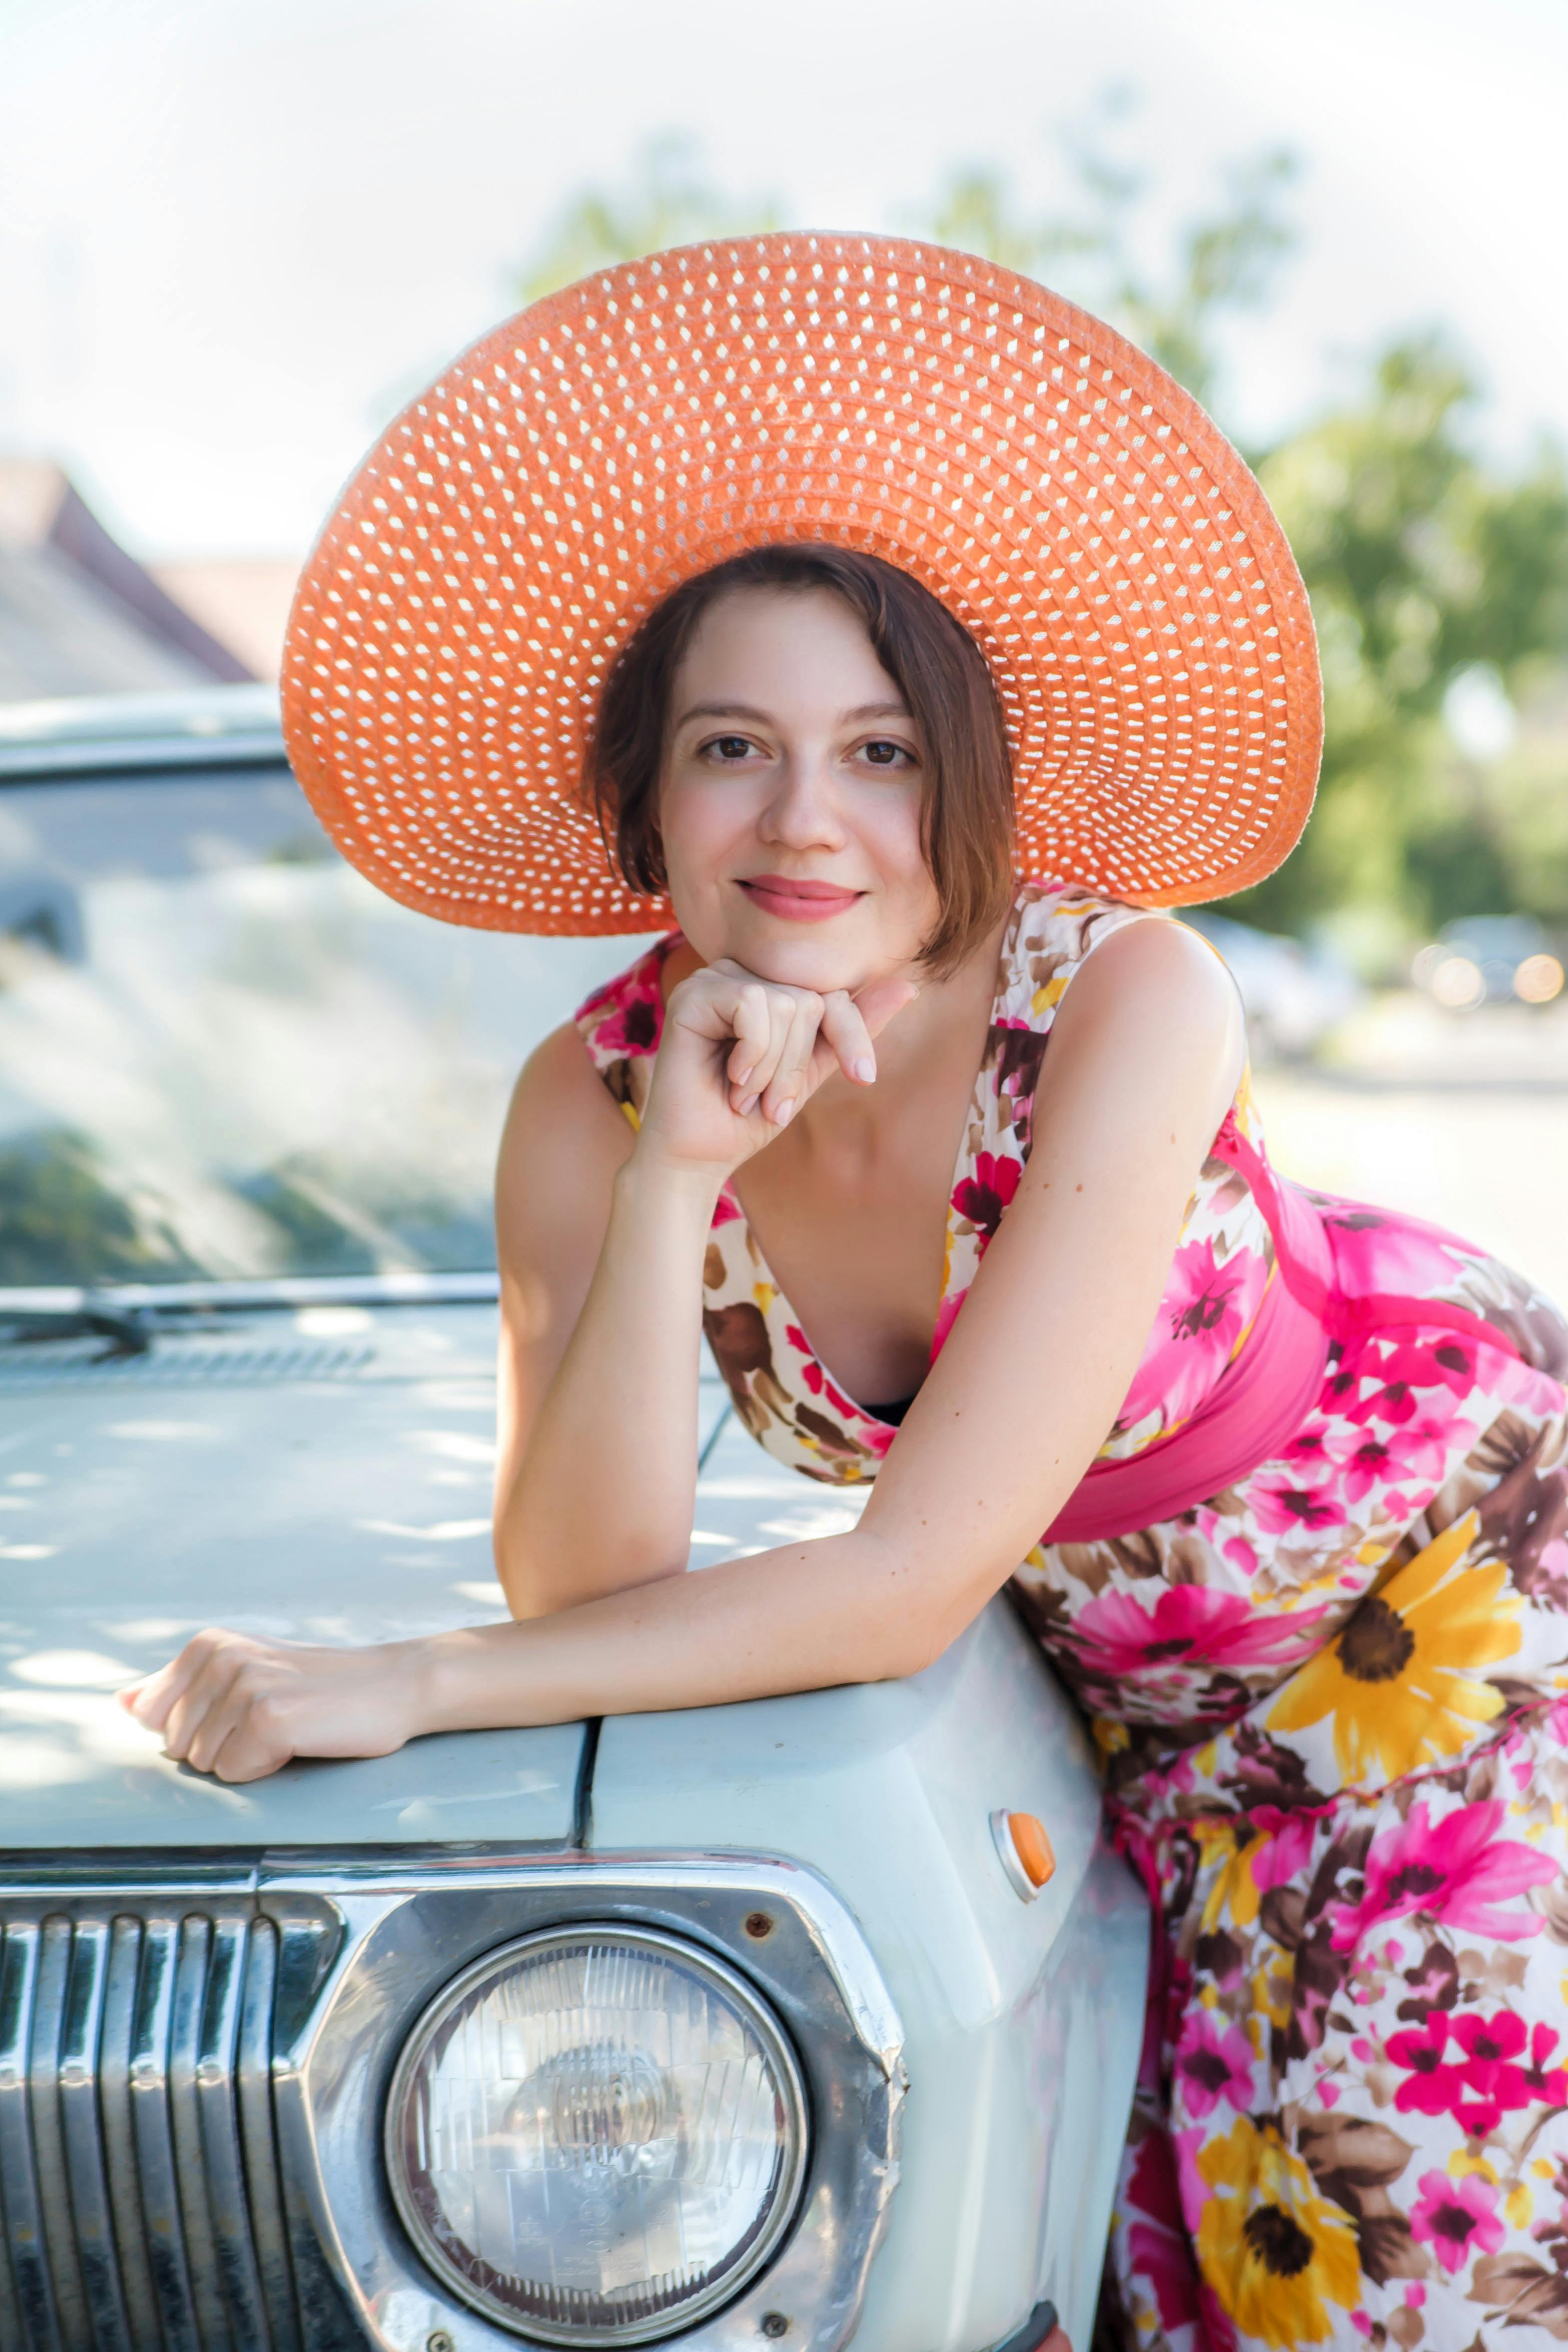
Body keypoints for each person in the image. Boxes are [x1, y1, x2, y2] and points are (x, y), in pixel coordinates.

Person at [122, 236, 1568, 2350]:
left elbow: (898, 1579)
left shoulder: (1128, 994)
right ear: (645, 789)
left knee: (1428, 2277)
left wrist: (401, 1679)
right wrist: (679, 1168)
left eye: (883, 751)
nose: (809, 820)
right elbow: (592, 1579)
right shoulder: (594, 1087)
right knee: (1145, 2277)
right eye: (733, 748)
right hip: (1146, 1729)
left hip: (1459, 1621)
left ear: (963, 777)